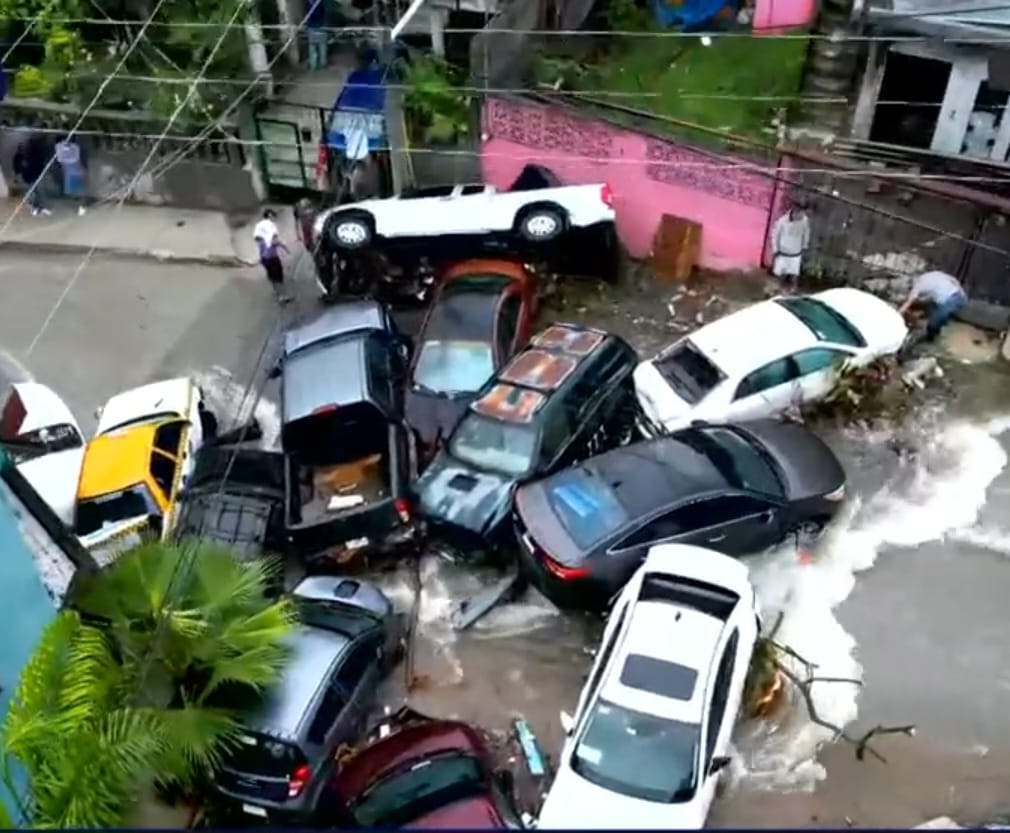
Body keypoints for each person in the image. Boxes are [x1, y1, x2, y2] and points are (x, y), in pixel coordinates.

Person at [898, 269, 966, 342]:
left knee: (933, 324)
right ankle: (940, 323)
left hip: (951, 299)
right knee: (935, 309)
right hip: (960, 295)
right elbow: (953, 279)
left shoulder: (918, 285)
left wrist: (897, 314)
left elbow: (909, 302)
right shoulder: (931, 275)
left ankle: (930, 339)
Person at [253, 208, 292, 304]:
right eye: (273, 216)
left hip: (264, 257)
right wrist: (285, 248)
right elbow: (275, 240)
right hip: (272, 257)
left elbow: (257, 239)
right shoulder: (271, 226)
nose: (274, 218)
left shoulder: (259, 226)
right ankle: (282, 296)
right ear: (270, 216)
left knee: (272, 276)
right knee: (278, 276)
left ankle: (277, 293)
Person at [770, 201, 811, 291]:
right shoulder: (782, 221)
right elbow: (775, 235)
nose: (801, 215)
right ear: (794, 211)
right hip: (783, 252)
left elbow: (806, 233)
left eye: (802, 212)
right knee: (779, 274)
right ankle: (777, 291)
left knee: (794, 274)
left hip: (796, 253)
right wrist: (775, 249)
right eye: (799, 212)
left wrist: (804, 246)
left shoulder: (804, 220)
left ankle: (793, 290)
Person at [13, 132, 51, 217]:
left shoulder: (29, 155)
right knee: (34, 193)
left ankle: (39, 208)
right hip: (31, 176)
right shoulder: (24, 156)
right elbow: (19, 168)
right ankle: (36, 208)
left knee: (36, 193)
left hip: (33, 176)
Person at [55, 133, 87, 215]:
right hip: (68, 173)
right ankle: (79, 205)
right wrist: (63, 148)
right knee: (71, 192)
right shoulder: (59, 146)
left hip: (77, 172)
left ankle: (81, 206)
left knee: (78, 191)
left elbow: (74, 158)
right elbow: (60, 158)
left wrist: (66, 150)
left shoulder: (75, 147)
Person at [306, 0, 328, 71]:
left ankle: (314, 65)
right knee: (320, 46)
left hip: (315, 26)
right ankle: (321, 64)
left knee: (314, 46)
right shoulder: (319, 3)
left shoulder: (312, 3)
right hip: (319, 25)